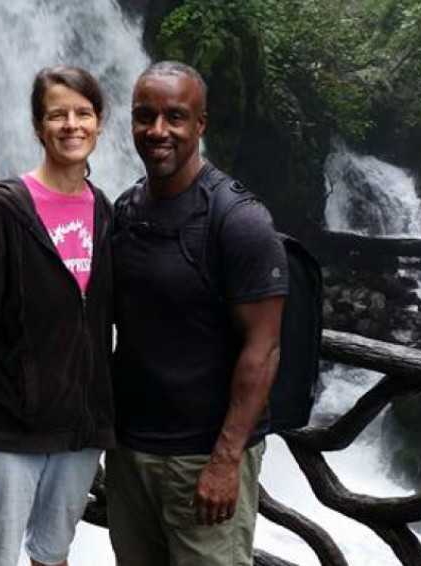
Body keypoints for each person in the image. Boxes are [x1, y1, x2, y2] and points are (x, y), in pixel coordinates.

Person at [107, 60, 288, 566]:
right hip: (130, 453)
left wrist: (226, 461)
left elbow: (264, 348)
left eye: (175, 117)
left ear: (200, 123)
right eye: (144, 116)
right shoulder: (125, 211)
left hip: (202, 458)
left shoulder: (239, 221)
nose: (157, 130)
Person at [0, 65, 115, 566]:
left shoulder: (104, 211)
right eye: (57, 115)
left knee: (52, 555)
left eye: (83, 113)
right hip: (10, 428)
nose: (71, 125)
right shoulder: (3, 211)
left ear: (99, 123)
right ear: (39, 126)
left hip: (80, 430)